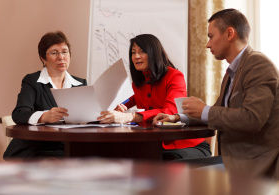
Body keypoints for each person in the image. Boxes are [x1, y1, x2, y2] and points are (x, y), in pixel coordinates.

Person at [153, 9, 279, 179]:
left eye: (211, 36)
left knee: (171, 175)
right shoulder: (232, 72)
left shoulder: (258, 64)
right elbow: (219, 112)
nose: (207, 44)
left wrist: (204, 110)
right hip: (233, 161)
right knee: (168, 171)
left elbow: (252, 119)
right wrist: (179, 118)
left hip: (256, 165)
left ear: (229, 33)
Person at [98, 34, 211, 161]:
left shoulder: (175, 76)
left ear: (154, 53)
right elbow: (121, 102)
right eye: (133, 52)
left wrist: (129, 116)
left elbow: (169, 112)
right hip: (152, 145)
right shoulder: (138, 83)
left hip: (183, 146)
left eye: (142, 51)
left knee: (151, 161)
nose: (136, 56)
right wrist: (116, 110)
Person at [4, 31, 87, 159]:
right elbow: (19, 113)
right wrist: (44, 116)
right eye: (54, 53)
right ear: (43, 58)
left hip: (69, 148)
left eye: (65, 51)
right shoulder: (32, 81)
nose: (61, 57)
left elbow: (88, 116)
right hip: (37, 148)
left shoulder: (80, 84)